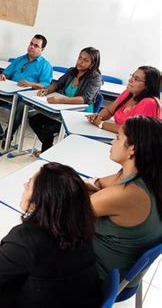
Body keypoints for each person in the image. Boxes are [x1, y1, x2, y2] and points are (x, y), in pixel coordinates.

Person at [0, 162, 101, 308]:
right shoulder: (82, 225)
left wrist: (8, 254)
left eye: (28, 185)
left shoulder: (27, 239)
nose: (23, 186)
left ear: (37, 201)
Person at [86, 116, 162, 286]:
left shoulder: (126, 194)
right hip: (124, 272)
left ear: (132, 149)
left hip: (98, 278)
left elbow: (64, 210)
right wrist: (93, 188)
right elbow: (99, 183)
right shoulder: (149, 177)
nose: (113, 142)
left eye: (118, 138)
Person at [0, 35, 52, 148]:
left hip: (27, 97)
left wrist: (31, 84)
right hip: (9, 92)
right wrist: (3, 75)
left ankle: (8, 137)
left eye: (36, 46)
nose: (31, 47)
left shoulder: (45, 65)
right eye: (31, 43)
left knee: (18, 108)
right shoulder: (20, 59)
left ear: (42, 49)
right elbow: (7, 73)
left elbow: (45, 86)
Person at [29, 47, 102, 153]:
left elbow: (85, 99)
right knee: (33, 121)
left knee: (47, 130)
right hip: (62, 110)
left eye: (86, 60)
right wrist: (46, 90)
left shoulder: (95, 78)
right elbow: (58, 84)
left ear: (92, 64)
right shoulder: (72, 71)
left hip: (78, 115)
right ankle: (50, 151)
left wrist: (59, 100)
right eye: (80, 58)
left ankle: (46, 155)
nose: (80, 62)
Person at [86, 66, 161, 132]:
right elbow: (109, 110)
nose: (130, 80)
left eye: (136, 79)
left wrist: (100, 123)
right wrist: (97, 117)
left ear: (148, 85)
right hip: (118, 137)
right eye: (132, 76)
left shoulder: (149, 103)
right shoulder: (128, 93)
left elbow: (131, 130)